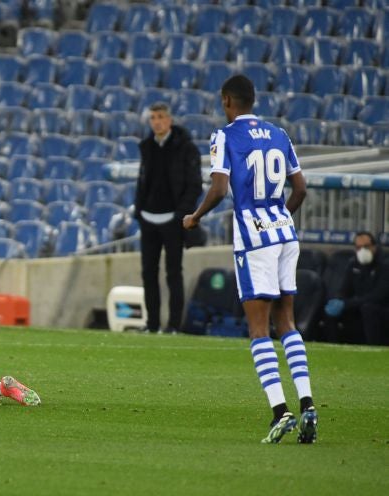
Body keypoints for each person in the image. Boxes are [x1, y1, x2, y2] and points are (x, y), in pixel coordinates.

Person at [183, 75, 317, 444]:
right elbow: (301, 188)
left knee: (259, 329)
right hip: (285, 234)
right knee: (287, 321)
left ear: (227, 100)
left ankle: (281, 412)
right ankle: (307, 405)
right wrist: (281, 216)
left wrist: (194, 217)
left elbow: (220, 187)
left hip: (253, 238)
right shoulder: (279, 134)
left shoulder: (224, 136)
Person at [135, 102, 202, 334]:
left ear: (170, 120)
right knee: (148, 273)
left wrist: (181, 214)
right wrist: (139, 211)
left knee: (173, 272)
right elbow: (142, 181)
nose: (157, 121)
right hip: (148, 218)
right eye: (153, 117)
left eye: (161, 117)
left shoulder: (186, 148)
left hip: (172, 220)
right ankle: (152, 324)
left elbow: (194, 185)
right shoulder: (146, 146)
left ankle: (173, 325)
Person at [323, 232, 389, 346]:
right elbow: (344, 289)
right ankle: (333, 347)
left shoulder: (384, 265)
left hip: (380, 307)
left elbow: (378, 295)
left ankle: (374, 348)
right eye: (358, 247)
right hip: (358, 305)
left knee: (368, 309)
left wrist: (347, 303)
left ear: (374, 246)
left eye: (366, 247)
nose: (362, 250)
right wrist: (338, 299)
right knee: (330, 309)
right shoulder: (353, 264)